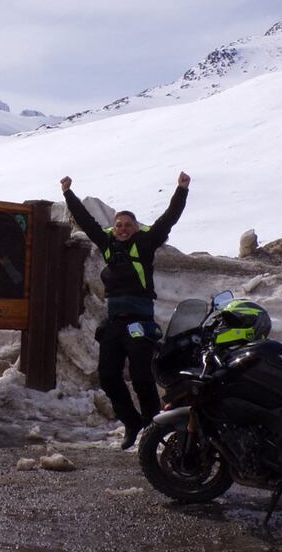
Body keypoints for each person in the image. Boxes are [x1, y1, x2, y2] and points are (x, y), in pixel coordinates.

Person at [60, 172, 190, 449]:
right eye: (118, 224)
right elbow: (85, 221)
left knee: (142, 377)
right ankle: (132, 422)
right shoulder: (108, 244)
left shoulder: (145, 242)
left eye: (127, 225)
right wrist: (68, 194)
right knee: (108, 376)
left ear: (135, 227)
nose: (122, 229)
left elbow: (169, 218)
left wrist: (181, 190)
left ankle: (155, 427)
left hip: (140, 322)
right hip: (115, 323)